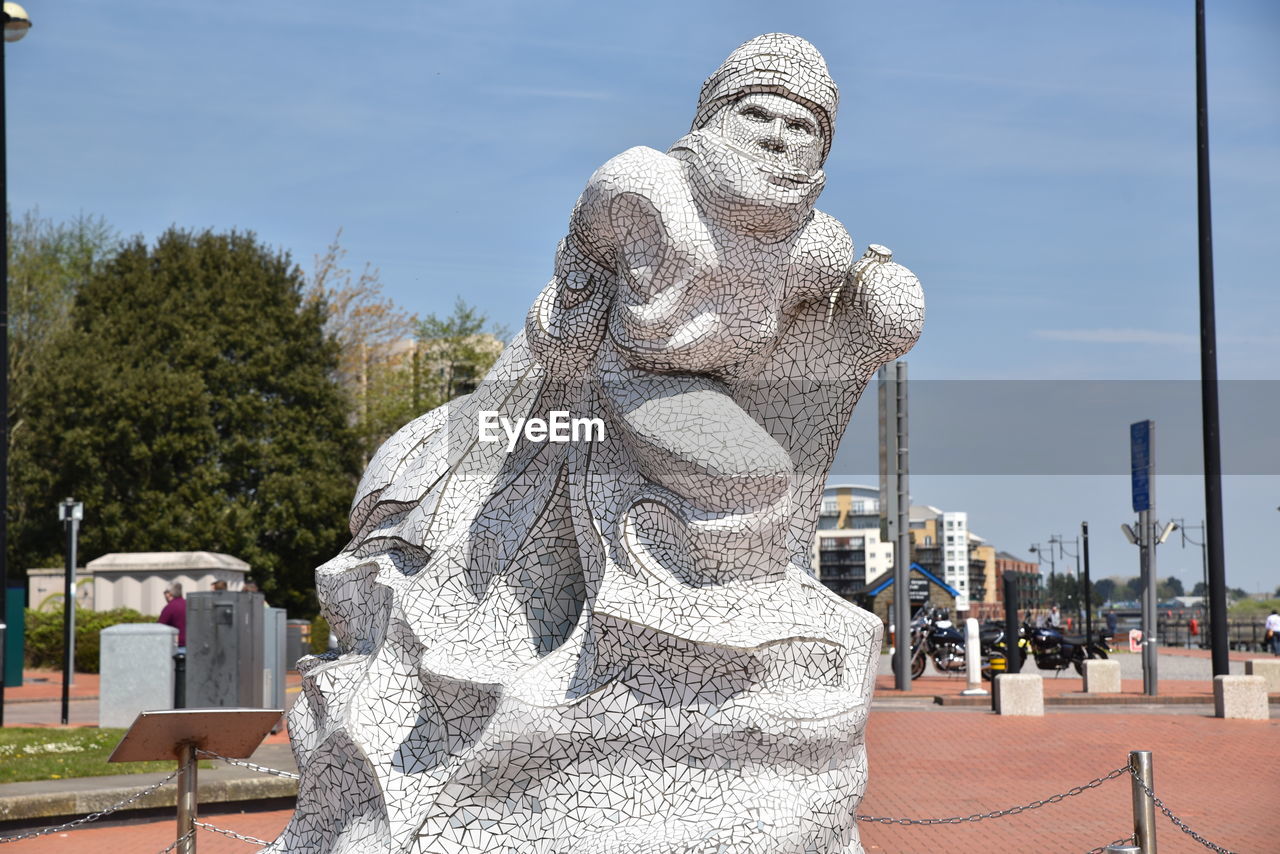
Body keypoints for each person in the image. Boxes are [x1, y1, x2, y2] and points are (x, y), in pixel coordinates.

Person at [271, 34, 925, 854]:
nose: (777, 135)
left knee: (760, 480)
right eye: (757, 112)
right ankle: (650, 619)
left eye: (803, 127)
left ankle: (693, 636)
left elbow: (793, 346)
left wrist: (872, 310)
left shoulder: (814, 244)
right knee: (746, 480)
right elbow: (568, 308)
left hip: (702, 389)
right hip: (612, 379)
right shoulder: (641, 188)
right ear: (716, 117)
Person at [157, 582, 186, 650]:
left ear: (169, 594)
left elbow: (160, 627)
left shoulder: (170, 607)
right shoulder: (188, 604)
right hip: (192, 645)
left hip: (178, 647)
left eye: (165, 592)